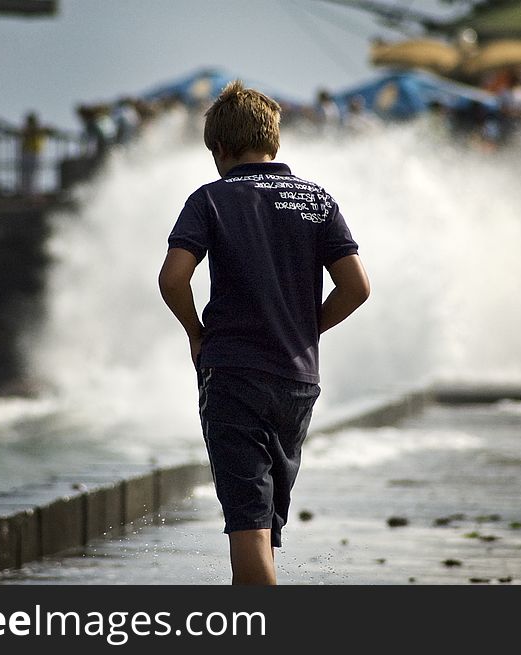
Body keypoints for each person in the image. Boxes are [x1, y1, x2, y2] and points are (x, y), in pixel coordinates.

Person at [158, 80, 370, 585]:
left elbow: (172, 279)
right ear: (274, 141)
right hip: (297, 380)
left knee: (248, 528)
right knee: (265, 527)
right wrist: (304, 328)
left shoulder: (210, 199)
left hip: (235, 375)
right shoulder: (317, 200)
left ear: (221, 149)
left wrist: (195, 332)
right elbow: (356, 287)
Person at [19, 112, 51, 198]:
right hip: (28, 152)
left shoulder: (39, 129)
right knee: (28, 173)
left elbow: (49, 130)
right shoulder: (27, 129)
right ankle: (28, 193)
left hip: (35, 152)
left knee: (34, 173)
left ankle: (33, 192)